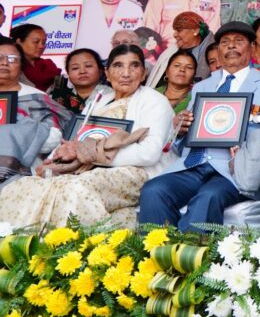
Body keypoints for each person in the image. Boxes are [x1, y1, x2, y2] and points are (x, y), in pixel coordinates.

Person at [0, 44, 175, 228]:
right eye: (118, 66)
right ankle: (24, 241)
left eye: (134, 66)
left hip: (135, 172)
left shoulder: (154, 101)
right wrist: (55, 159)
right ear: (107, 73)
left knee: (74, 189)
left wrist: (92, 155)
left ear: (144, 73)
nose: (126, 73)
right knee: (23, 186)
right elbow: (76, 141)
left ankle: (68, 243)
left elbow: (149, 154)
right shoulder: (99, 100)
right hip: (86, 169)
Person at [137, 22, 260, 231]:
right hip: (193, 165)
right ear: (218, 50)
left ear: (253, 47)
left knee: (208, 197)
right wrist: (180, 129)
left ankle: (190, 252)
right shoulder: (202, 87)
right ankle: (160, 249)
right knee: (153, 190)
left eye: (239, 41)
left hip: (234, 171)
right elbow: (180, 143)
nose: (231, 46)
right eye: (225, 42)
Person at [0, 37, 69, 183]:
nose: (4, 63)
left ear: (21, 66)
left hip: (24, 174)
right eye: (0, 57)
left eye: (12, 59)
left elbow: (53, 139)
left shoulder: (37, 98)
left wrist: (15, 132)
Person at [146, 11, 213, 88]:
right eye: (175, 30)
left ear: (196, 30)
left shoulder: (212, 53)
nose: (174, 34)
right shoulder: (171, 51)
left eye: (179, 30)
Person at [48, 48, 105, 114]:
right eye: (75, 68)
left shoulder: (110, 96)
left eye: (88, 66)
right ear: (68, 73)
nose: (82, 71)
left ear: (100, 70)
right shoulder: (56, 97)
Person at [11, 24, 60, 91]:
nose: (41, 46)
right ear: (19, 42)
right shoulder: (11, 66)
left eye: (43, 42)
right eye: (36, 42)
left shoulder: (49, 65)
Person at [157, 49, 197, 114]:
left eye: (189, 67)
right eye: (177, 65)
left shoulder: (196, 97)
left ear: (194, 74)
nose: (182, 69)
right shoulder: (152, 94)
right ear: (166, 71)